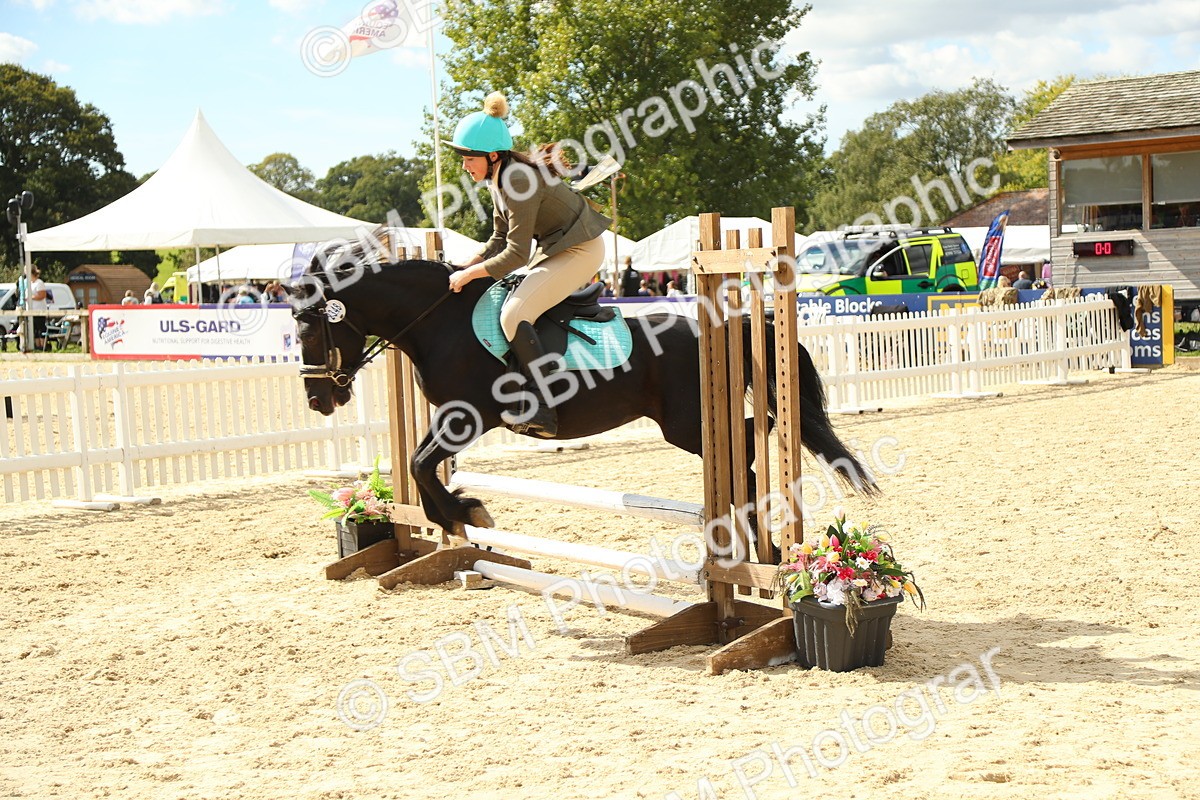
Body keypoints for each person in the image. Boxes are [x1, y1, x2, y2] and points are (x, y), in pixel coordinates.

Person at [444, 92, 612, 437]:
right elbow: (497, 239)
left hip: (581, 250)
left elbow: (517, 255)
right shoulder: (498, 179)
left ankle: (543, 407)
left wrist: (469, 274)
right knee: (508, 305)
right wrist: (465, 265)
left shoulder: (517, 179)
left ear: (492, 155)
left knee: (513, 314)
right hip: (559, 249)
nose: (464, 166)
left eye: (469, 158)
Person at [27, 266, 48, 350]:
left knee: (40, 328)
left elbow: (42, 295)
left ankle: (43, 345)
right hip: (31, 310)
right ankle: (36, 346)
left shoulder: (39, 283)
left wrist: (31, 297)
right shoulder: (30, 284)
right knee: (34, 329)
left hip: (39, 310)